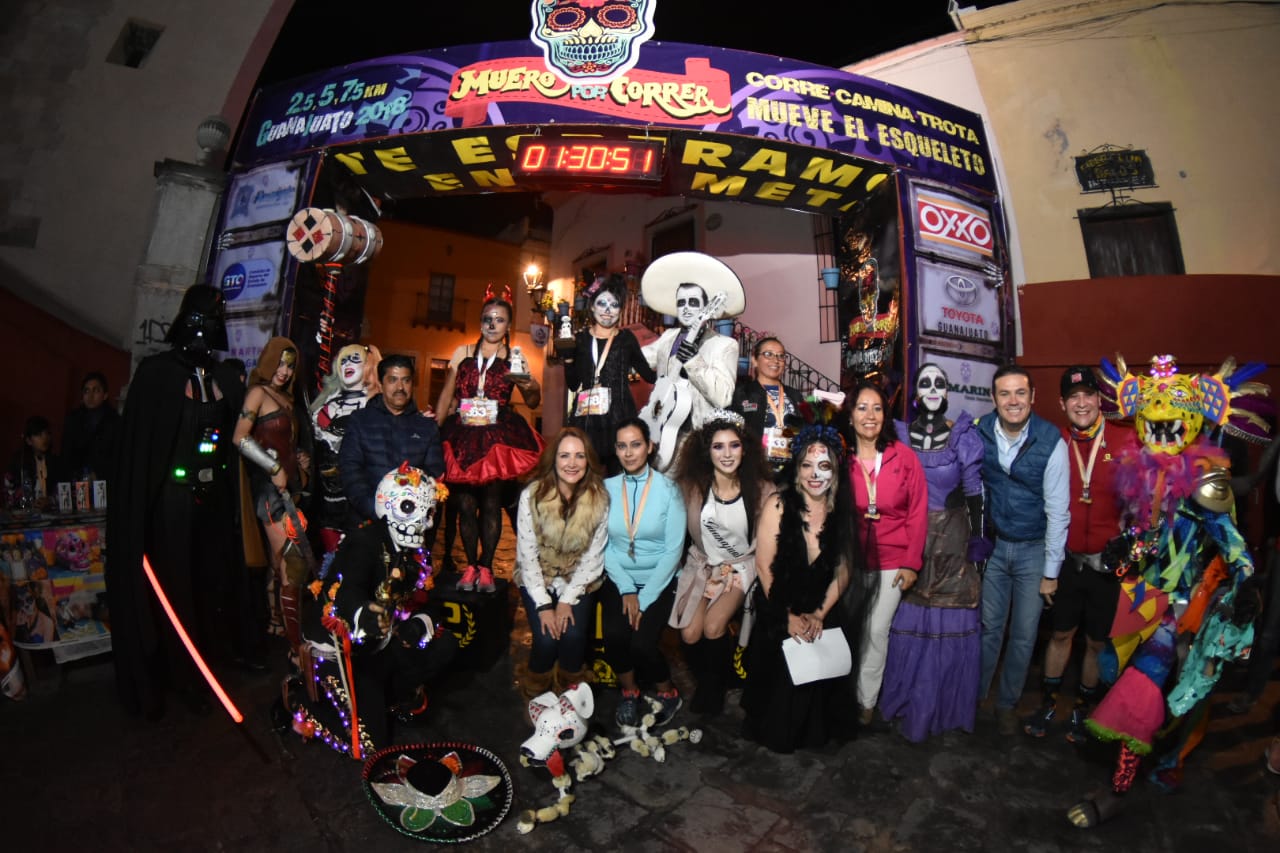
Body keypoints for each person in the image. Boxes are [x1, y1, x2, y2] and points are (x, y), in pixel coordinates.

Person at [106, 284, 243, 717]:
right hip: (171, 500)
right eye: (202, 319)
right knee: (176, 586)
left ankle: (207, 661)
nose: (206, 329)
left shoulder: (224, 378)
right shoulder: (158, 374)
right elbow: (139, 448)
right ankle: (179, 674)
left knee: (208, 582)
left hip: (212, 501)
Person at [303, 463, 458, 748]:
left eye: (429, 513)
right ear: (387, 506)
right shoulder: (364, 542)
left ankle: (394, 696)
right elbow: (348, 592)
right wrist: (365, 617)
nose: (423, 523)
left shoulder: (414, 551)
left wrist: (417, 625)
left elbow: (430, 600)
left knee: (443, 644)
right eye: (410, 508)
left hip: (382, 643)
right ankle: (300, 702)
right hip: (344, 650)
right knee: (370, 743)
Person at [1023, 366, 1138, 742]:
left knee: (1096, 642)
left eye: (1089, 395)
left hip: (1108, 565)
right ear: (1062, 403)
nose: (1082, 403)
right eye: (1074, 397)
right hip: (1066, 561)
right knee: (1060, 635)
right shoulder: (1054, 440)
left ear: (1100, 399)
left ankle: (1083, 710)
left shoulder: (1125, 438)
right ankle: (1048, 705)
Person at [879, 363, 987, 742]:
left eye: (939, 383)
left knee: (948, 618)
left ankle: (942, 707)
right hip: (908, 541)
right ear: (915, 392)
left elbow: (974, 494)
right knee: (906, 617)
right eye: (925, 383)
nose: (932, 389)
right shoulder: (898, 435)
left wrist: (979, 544)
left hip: (952, 544)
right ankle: (902, 700)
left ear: (947, 391)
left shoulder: (962, 437)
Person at [741, 424, 857, 753]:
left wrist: (819, 614)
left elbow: (844, 569)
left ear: (835, 470)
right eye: (807, 465)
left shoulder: (842, 512)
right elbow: (764, 567)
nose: (814, 474)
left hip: (822, 603)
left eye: (824, 465)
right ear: (796, 468)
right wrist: (787, 616)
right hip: (780, 601)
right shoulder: (778, 505)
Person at [974, 365, 1070, 737]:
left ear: (1032, 397)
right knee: (987, 629)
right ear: (993, 398)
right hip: (995, 548)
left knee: (1024, 635)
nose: (1013, 401)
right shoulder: (980, 431)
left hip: (1033, 551)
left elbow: (1058, 511)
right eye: (1004, 393)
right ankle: (974, 699)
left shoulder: (1051, 441)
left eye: (1020, 393)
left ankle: (1006, 705)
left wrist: (1050, 573)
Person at [437, 292, 544, 593]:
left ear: (508, 325)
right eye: (488, 319)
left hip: (497, 437)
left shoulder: (515, 357)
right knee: (465, 504)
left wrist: (530, 385)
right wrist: (435, 429)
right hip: (463, 433)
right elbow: (447, 394)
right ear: (480, 322)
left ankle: (486, 567)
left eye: (500, 320)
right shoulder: (462, 352)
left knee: (491, 503)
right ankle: (470, 565)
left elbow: (532, 400)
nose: (493, 324)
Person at [669, 409, 773, 716]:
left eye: (733, 445)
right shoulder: (692, 487)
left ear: (745, 449)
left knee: (714, 626)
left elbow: (767, 544)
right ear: (707, 451)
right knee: (690, 633)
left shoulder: (762, 489)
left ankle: (712, 688)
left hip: (740, 566)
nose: (727, 454)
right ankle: (711, 677)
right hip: (703, 565)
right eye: (718, 446)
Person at [846, 380, 927, 730]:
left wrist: (911, 563)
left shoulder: (903, 456)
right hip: (851, 562)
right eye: (862, 407)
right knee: (851, 629)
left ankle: (866, 701)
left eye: (877, 408)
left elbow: (918, 512)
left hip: (893, 562)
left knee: (876, 631)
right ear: (850, 415)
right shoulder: (840, 458)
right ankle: (842, 693)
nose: (870, 415)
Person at [600, 417, 686, 727]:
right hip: (619, 576)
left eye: (635, 445)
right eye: (622, 446)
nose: (628, 453)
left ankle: (667, 692)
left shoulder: (669, 490)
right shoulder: (606, 489)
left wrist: (645, 598)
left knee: (642, 643)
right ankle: (629, 691)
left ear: (649, 447)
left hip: (659, 580)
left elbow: (673, 551)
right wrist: (626, 589)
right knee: (614, 636)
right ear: (615, 450)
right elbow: (603, 544)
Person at [512, 427, 609, 699]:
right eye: (565, 455)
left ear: (588, 460)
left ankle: (570, 696)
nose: (572, 463)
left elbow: (593, 558)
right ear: (553, 459)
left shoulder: (599, 499)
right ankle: (536, 692)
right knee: (545, 640)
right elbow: (527, 556)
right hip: (538, 577)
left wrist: (566, 600)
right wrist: (544, 605)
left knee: (573, 637)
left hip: (578, 578)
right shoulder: (532, 495)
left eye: (579, 455)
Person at [234, 337, 311, 661]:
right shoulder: (258, 393)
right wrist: (273, 466)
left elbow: (283, 443)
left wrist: (299, 460)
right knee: (293, 562)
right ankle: (296, 646)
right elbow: (240, 437)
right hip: (269, 491)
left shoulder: (285, 398)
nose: (285, 371)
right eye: (280, 363)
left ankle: (277, 624)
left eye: (290, 365)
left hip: (289, 488)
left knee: (280, 562)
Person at [639, 252, 744, 470]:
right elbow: (639, 359)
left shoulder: (724, 345)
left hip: (697, 442)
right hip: (661, 435)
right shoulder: (668, 337)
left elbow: (723, 397)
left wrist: (694, 361)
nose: (686, 307)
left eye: (693, 302)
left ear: (706, 307)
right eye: (681, 302)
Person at [340, 354, 444, 532]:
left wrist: (410, 510)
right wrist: (375, 509)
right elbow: (350, 469)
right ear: (381, 384)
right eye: (393, 380)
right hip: (367, 520)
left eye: (406, 380)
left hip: (411, 523)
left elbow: (434, 472)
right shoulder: (360, 421)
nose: (400, 387)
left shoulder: (427, 427)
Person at [565, 274, 655, 475]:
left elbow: (649, 375)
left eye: (614, 305)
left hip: (619, 419)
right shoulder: (580, 339)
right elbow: (572, 384)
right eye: (602, 303)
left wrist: (675, 361)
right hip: (586, 420)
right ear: (592, 307)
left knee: (621, 479)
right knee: (585, 480)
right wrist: (567, 359)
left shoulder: (626, 339)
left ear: (621, 310)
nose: (607, 310)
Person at [310, 343, 381, 554]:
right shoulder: (327, 403)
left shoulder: (376, 404)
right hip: (327, 494)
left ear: (368, 365)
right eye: (343, 360)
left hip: (360, 494)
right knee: (331, 552)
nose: (348, 364)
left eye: (355, 359)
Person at [731, 336, 807, 479]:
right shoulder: (742, 394)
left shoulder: (794, 395)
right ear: (754, 360)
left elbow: (803, 430)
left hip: (791, 472)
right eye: (768, 354)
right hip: (755, 471)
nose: (776, 360)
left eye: (781, 356)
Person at [62, 371, 120, 482]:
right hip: (76, 481)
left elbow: (117, 457)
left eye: (96, 390)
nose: (90, 396)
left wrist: (99, 473)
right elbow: (66, 454)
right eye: (86, 391)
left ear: (105, 395)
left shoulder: (114, 422)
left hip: (104, 482)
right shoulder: (73, 419)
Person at [9, 415, 68, 511]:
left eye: (47, 434)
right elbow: (9, 491)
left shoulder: (56, 462)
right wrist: (27, 501)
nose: (45, 438)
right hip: (25, 512)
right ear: (29, 440)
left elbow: (64, 489)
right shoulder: (19, 461)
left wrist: (50, 500)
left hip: (50, 512)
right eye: (39, 435)